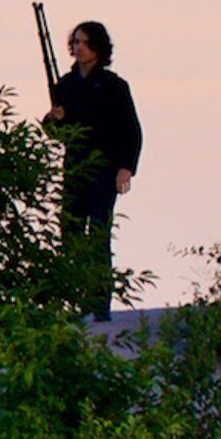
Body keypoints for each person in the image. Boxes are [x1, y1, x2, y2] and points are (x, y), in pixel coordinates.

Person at [40, 20, 141, 293]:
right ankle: (72, 295)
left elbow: (131, 129)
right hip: (75, 167)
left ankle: (98, 299)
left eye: (85, 42)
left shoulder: (114, 85)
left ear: (99, 47)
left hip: (105, 167)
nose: (79, 48)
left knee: (98, 232)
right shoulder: (66, 85)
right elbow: (58, 133)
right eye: (75, 42)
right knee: (70, 232)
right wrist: (54, 120)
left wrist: (126, 168)